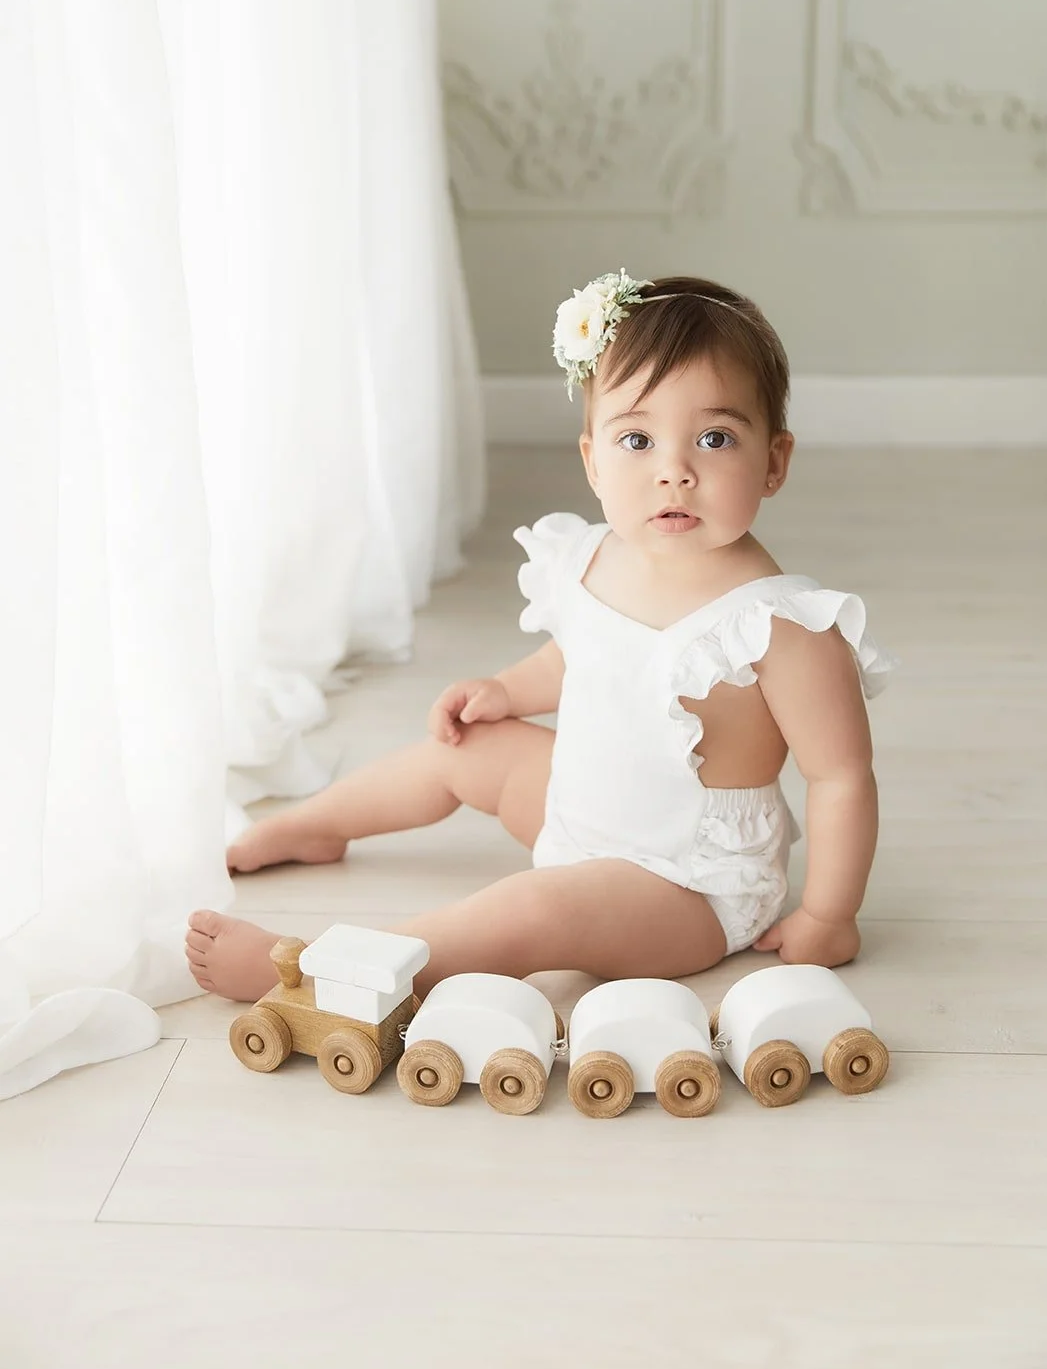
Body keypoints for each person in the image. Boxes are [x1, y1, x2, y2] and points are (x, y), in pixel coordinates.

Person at [186, 271, 895, 1004]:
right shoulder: (597, 556)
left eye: (713, 439)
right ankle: (309, 826)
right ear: (592, 460)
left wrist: (825, 914)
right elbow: (583, 656)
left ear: (773, 461)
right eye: (637, 440)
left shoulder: (777, 624)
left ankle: (322, 973)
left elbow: (840, 777)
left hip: (684, 889)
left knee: (533, 911)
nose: (673, 473)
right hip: (574, 815)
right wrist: (506, 690)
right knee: (464, 748)